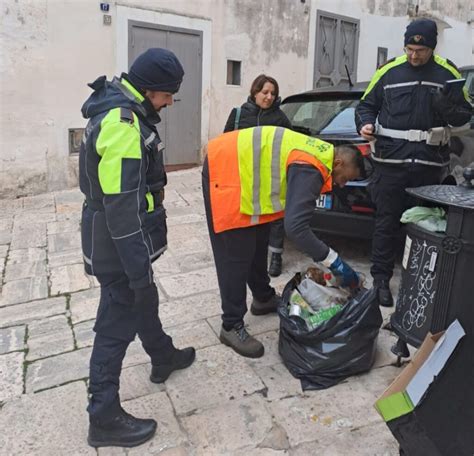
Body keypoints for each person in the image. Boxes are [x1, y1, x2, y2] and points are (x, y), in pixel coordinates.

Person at [79, 48, 196, 448]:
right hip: (118, 242)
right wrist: (136, 268)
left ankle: (162, 354)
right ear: (149, 90)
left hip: (120, 238)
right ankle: (104, 416)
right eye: (168, 95)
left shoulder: (125, 110)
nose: (170, 103)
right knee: (118, 320)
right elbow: (122, 209)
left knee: (140, 301)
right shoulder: (123, 126)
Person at [202, 125, 365, 358]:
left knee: (257, 244)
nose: (342, 185)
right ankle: (230, 325)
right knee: (235, 255)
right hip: (226, 171)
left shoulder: (321, 156)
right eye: (345, 178)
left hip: (243, 172)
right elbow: (296, 227)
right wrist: (335, 261)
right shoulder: (312, 167)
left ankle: (262, 298)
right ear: (338, 163)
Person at [355, 18, 472, 307]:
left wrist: (447, 107)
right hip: (390, 162)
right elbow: (366, 105)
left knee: (425, 226)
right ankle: (381, 281)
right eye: (409, 49)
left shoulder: (448, 73)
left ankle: (418, 280)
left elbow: (463, 116)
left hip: (429, 165)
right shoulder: (389, 71)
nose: (414, 55)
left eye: (420, 50)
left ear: (432, 48)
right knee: (385, 223)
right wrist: (366, 123)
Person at [224, 74, 292, 278]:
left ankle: (276, 257)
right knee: (247, 216)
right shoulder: (238, 115)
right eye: (265, 92)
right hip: (245, 177)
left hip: (272, 176)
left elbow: (289, 145)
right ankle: (247, 255)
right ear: (255, 92)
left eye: (273, 93)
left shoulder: (280, 118)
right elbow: (226, 142)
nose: (269, 97)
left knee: (276, 217)